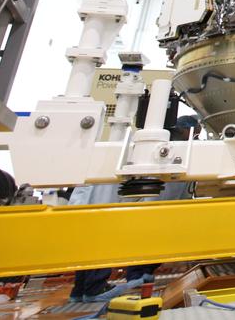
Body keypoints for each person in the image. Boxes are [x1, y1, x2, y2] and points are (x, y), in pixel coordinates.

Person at [67, 115, 198, 302]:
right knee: (103, 243)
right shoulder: (172, 147)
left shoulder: (114, 152)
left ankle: (81, 290)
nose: (197, 134)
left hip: (100, 205)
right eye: (195, 130)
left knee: (92, 245)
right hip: (114, 206)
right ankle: (95, 288)